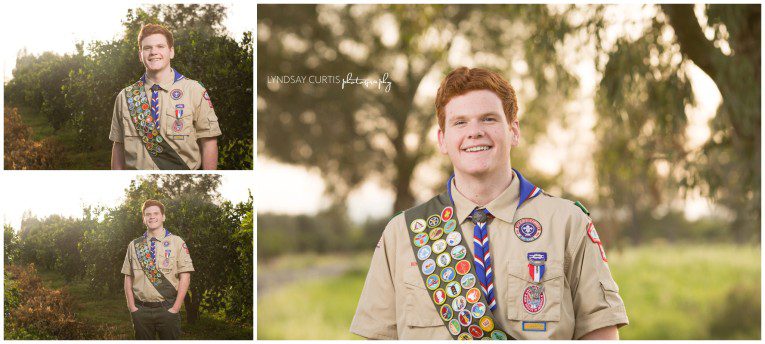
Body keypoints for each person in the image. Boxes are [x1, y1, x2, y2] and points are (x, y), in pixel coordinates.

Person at [350, 67, 628, 339]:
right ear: (442, 139)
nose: (474, 132)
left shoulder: (567, 222)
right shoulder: (403, 233)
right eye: (460, 122)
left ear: (514, 131)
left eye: (488, 119)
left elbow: (600, 332)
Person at [109, 24, 221, 170]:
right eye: (147, 48)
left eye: (160, 46)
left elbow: (209, 142)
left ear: (171, 51)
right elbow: (118, 146)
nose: (153, 52)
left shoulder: (194, 90)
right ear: (140, 55)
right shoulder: (125, 97)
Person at [122, 199, 194, 340]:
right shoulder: (134, 245)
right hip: (141, 310)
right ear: (144, 219)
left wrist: (176, 308)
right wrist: (132, 308)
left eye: (156, 213)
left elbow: (185, 277)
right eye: (148, 214)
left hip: (167, 308)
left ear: (163, 217)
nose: (152, 216)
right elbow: (128, 278)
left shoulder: (177, 242)